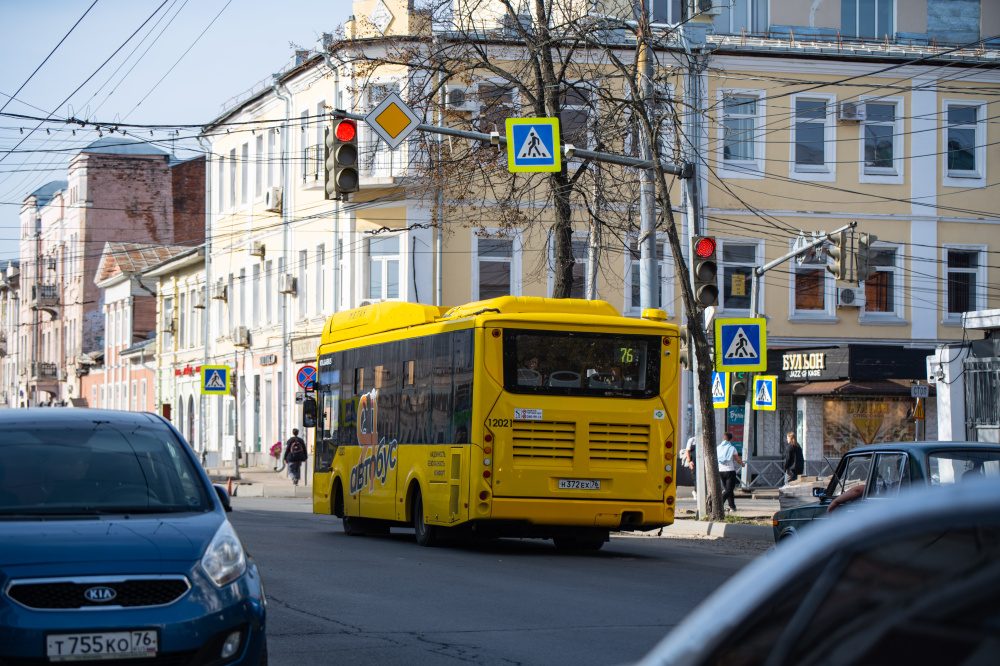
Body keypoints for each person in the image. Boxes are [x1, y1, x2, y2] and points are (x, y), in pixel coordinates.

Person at [717, 432, 744, 513]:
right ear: (732, 439)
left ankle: (732, 506)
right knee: (729, 490)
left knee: (728, 490)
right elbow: (737, 459)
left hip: (721, 471)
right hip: (730, 471)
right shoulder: (732, 448)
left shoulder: (718, 448)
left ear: (723, 439)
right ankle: (719, 504)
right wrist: (742, 464)